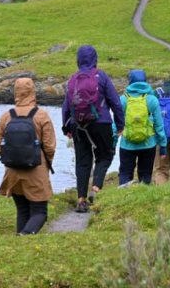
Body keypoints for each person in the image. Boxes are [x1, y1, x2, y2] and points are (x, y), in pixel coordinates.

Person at [61, 45, 124, 213]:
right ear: (95, 59)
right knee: (106, 154)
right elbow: (115, 102)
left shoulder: (73, 79)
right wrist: (120, 125)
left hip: (77, 124)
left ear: (78, 60)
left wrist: (65, 127)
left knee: (82, 161)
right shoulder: (101, 76)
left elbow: (66, 106)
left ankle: (81, 200)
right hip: (101, 122)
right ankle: (95, 188)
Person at [0, 78, 57, 235]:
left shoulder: (5, 117)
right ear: (33, 92)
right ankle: (25, 235)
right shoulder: (42, 116)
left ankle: (20, 239)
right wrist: (45, 165)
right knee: (40, 212)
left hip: (12, 173)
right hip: (36, 170)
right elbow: (49, 147)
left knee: (22, 210)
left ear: (15, 93)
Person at [118, 69, 166, 186]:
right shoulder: (152, 100)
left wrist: (112, 142)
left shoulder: (123, 99)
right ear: (145, 81)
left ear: (130, 81)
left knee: (125, 173)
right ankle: (143, 199)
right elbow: (159, 126)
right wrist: (163, 146)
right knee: (145, 175)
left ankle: (124, 199)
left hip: (127, 145)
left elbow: (116, 124)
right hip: (148, 144)